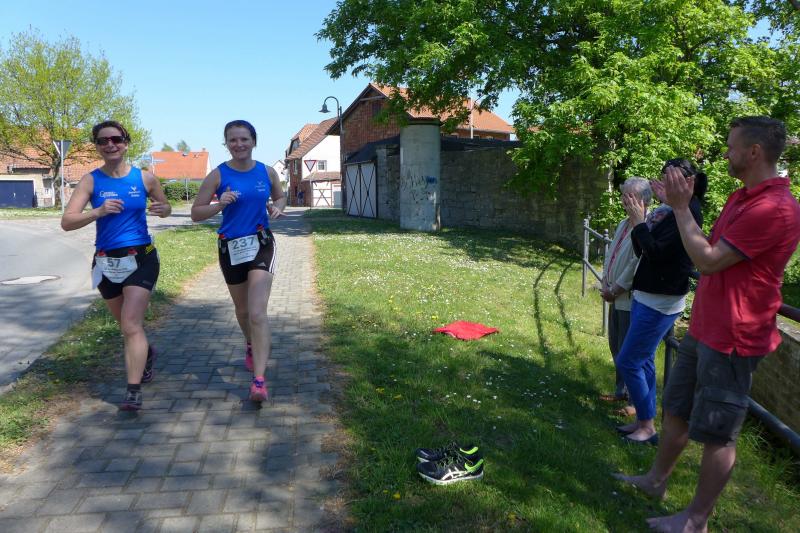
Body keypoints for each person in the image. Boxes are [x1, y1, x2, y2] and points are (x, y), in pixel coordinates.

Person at [615, 116, 800, 532]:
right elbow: (707, 247)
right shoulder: (741, 198)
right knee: (676, 408)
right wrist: (673, 209)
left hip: (735, 336)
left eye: (732, 146)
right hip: (706, 327)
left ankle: (695, 521)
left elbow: (709, 260)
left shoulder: (775, 208)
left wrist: (680, 208)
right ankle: (656, 481)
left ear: (754, 152)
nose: (726, 154)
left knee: (718, 433)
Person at [61, 120, 171, 411]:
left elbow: (165, 207)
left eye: (116, 139)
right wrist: (97, 211)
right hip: (106, 262)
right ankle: (146, 355)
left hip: (141, 258)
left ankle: (133, 391)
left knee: (131, 323)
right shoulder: (91, 181)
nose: (110, 145)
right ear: (97, 146)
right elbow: (67, 222)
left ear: (126, 142)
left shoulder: (145, 178)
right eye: (103, 141)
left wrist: (163, 209)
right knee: (126, 326)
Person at [191, 120, 286, 403]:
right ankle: (250, 343)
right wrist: (219, 204)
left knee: (257, 313)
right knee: (243, 311)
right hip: (230, 247)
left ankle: (259, 381)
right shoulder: (217, 175)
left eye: (244, 139)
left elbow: (280, 197)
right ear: (227, 144)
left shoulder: (267, 172)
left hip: (261, 243)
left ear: (254, 141)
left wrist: (277, 207)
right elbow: (196, 214)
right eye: (233, 140)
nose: (239, 144)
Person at [615, 159, 706, 444]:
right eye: (663, 178)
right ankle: (645, 420)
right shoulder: (670, 211)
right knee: (643, 361)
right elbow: (641, 248)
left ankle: (647, 426)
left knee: (629, 360)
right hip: (647, 296)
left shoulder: (689, 213)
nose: (664, 184)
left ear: (686, 182)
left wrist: (639, 222)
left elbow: (655, 253)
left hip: (660, 301)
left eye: (670, 179)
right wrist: (640, 223)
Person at [599, 177, 652, 408]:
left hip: (628, 299)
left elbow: (636, 263)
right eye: (623, 195)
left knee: (629, 351)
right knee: (616, 346)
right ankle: (620, 391)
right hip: (614, 294)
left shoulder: (646, 226)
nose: (624, 200)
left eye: (629, 197)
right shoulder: (624, 222)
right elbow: (612, 253)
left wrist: (616, 289)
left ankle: (634, 400)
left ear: (643, 201)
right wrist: (605, 281)